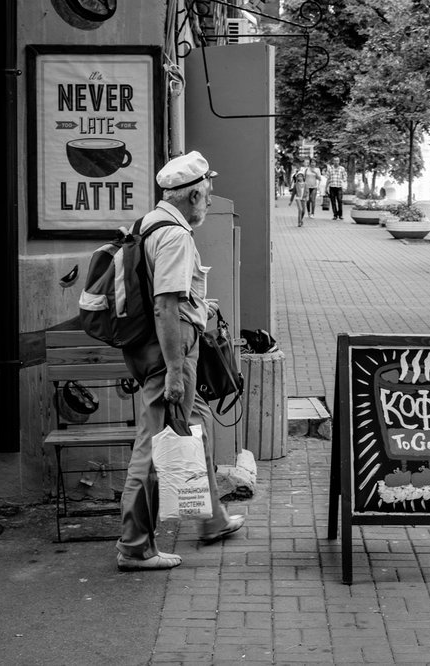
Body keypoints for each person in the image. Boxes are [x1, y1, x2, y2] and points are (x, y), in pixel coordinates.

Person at [116, 151, 244, 571]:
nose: (209, 199)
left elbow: (169, 299)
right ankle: (135, 546)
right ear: (193, 195)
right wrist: (174, 371)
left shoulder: (148, 224)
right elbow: (165, 306)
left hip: (160, 348)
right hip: (169, 355)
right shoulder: (174, 236)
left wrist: (199, 308)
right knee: (154, 446)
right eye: (207, 192)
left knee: (196, 425)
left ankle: (212, 519)